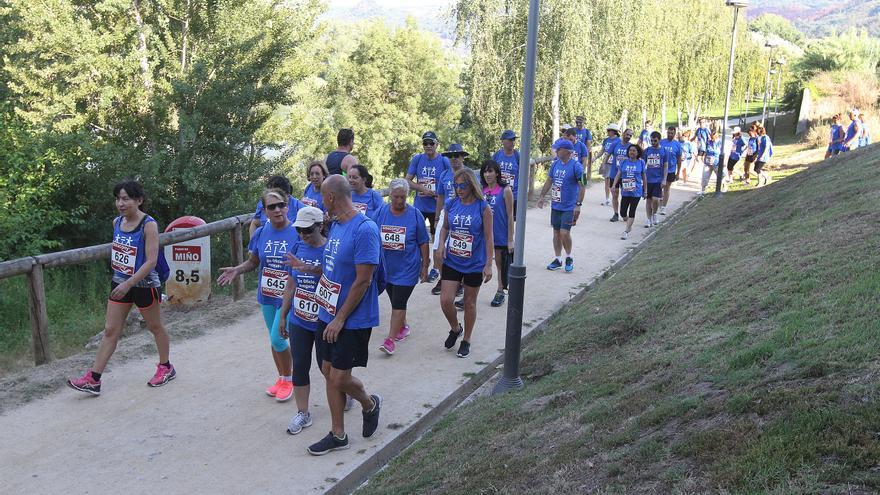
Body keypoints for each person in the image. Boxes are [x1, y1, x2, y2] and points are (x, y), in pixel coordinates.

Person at [288, 175, 381, 456]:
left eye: (321, 196)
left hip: (350, 319)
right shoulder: (337, 226)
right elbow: (331, 268)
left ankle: (369, 403)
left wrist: (340, 318)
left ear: (330, 197)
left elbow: (363, 280)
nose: (319, 201)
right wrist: (306, 268)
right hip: (326, 313)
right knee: (328, 372)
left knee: (339, 378)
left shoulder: (364, 229)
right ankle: (338, 434)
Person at [67, 181, 174, 396]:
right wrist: (122, 282)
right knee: (110, 330)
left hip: (144, 284)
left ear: (139, 200)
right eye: (118, 198)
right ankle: (94, 379)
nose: (121, 203)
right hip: (119, 282)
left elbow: (151, 261)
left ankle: (166, 367)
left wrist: (129, 283)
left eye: (126, 198)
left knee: (155, 327)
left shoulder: (148, 225)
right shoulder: (117, 222)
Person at [218, 189, 296, 402]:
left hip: (289, 296)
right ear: (265, 211)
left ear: (287, 206)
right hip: (267, 295)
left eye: (281, 204)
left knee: (277, 339)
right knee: (273, 341)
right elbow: (254, 261)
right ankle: (281, 378)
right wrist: (237, 269)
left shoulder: (298, 232)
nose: (277, 209)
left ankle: (290, 380)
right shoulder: (262, 233)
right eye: (272, 207)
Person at [277, 207, 327, 435]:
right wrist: (283, 315)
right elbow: (291, 284)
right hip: (299, 319)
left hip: (324, 320)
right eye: (299, 229)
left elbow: (335, 276)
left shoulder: (330, 249)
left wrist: (309, 268)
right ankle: (303, 413)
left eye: (308, 230)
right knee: (300, 366)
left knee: (327, 368)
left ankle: (345, 392)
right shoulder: (297, 246)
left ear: (320, 226)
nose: (303, 234)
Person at [436, 168, 493, 359]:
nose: (458, 189)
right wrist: (442, 244)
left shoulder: (482, 207)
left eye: (462, 185)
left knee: (469, 303)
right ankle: (455, 328)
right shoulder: (451, 204)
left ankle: (466, 339)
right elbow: (445, 227)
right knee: (445, 301)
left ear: (472, 185)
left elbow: (488, 237)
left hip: (474, 263)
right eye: (456, 185)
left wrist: (488, 264)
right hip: (452, 259)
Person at [372, 179, 430, 355]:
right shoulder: (381, 212)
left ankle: (390, 340)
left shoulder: (415, 215)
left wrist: (425, 266)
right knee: (395, 300)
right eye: (396, 197)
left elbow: (423, 242)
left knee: (398, 302)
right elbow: (371, 233)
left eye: (403, 197)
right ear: (390, 196)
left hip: (408, 267)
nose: (399, 201)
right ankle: (403, 325)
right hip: (387, 268)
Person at [406, 131, 450, 282]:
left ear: (437, 144)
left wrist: (439, 193)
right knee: (415, 236)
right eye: (425, 143)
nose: (428, 146)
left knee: (435, 238)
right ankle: (421, 263)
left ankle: (435, 269)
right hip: (420, 205)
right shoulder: (417, 159)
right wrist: (422, 189)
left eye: (431, 143)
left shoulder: (444, 161)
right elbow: (407, 181)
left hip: (437, 207)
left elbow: (450, 179)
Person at [537, 138, 585, 273]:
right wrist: (541, 196)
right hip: (556, 205)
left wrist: (578, 205)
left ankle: (569, 257)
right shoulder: (555, 164)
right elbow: (549, 180)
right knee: (556, 233)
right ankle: (558, 259)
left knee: (565, 233)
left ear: (566, 151)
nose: (556, 151)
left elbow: (583, 186)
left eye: (559, 149)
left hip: (569, 206)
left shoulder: (577, 166)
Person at [434, 143, 470, 297]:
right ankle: (444, 279)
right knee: (437, 248)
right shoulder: (444, 175)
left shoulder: (469, 174)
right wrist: (436, 218)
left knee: (459, 249)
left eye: (457, 155)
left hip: (463, 214)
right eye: (450, 156)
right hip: (446, 213)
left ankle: (460, 283)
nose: (454, 158)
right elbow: (440, 197)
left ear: (462, 157)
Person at [480, 159, 514, 307]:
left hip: (500, 233)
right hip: (483, 234)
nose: (487, 174)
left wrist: (510, 239)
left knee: (500, 264)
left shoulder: (505, 190)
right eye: (485, 171)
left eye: (490, 171)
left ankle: (501, 290)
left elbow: (510, 215)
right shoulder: (481, 190)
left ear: (497, 173)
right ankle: (469, 292)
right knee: (479, 263)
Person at [614, 145, 646, 240]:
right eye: (630, 150)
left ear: (638, 152)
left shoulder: (641, 162)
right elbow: (619, 174)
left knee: (632, 210)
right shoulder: (624, 161)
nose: (632, 152)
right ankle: (629, 222)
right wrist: (613, 185)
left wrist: (645, 190)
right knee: (623, 212)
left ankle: (627, 230)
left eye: (634, 151)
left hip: (636, 191)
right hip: (625, 191)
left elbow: (644, 176)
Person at [642, 131, 668, 228]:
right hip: (648, 180)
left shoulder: (664, 151)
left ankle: (655, 214)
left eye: (655, 140)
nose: (653, 142)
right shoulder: (647, 151)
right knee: (648, 200)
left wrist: (664, 179)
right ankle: (648, 219)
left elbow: (666, 166)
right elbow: (642, 164)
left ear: (659, 140)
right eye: (651, 140)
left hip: (658, 179)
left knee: (656, 199)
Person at [594, 124, 622, 208]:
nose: (608, 132)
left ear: (614, 131)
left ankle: (615, 198)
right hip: (607, 162)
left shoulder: (619, 141)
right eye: (607, 130)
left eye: (609, 130)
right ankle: (607, 199)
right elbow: (602, 151)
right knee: (607, 180)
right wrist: (595, 158)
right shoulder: (606, 140)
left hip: (615, 163)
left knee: (614, 181)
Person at [491, 130, 520, 210]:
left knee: (511, 219)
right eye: (510, 140)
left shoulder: (517, 156)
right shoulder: (497, 155)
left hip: (513, 195)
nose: (512, 142)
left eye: (514, 140)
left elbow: (523, 175)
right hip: (498, 194)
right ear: (503, 141)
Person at [658, 126, 681, 215]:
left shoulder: (677, 144)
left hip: (671, 170)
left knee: (667, 188)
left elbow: (679, 159)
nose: (670, 135)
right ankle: (659, 203)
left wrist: (678, 172)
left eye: (672, 133)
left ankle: (663, 207)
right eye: (668, 133)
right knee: (660, 187)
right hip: (660, 169)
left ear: (674, 134)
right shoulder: (662, 142)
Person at [700, 128, 722, 196]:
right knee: (705, 176)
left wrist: (723, 162)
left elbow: (723, 152)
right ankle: (703, 190)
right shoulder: (709, 142)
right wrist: (703, 156)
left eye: (713, 136)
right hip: (708, 162)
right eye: (711, 136)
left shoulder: (720, 142)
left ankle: (722, 187)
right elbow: (706, 150)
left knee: (720, 175)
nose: (712, 138)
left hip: (716, 162)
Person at [573, 116, 594, 182]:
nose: (578, 123)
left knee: (581, 177)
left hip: (582, 156)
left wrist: (585, 158)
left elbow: (588, 145)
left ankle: (582, 188)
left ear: (584, 122)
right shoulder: (572, 130)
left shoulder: (587, 132)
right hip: (571, 154)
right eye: (577, 122)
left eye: (580, 122)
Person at [753, 122, 774, 187]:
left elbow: (766, 148)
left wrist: (762, 156)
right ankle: (766, 177)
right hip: (759, 155)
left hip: (764, 156)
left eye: (758, 132)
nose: (757, 133)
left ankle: (760, 182)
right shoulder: (760, 137)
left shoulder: (765, 138)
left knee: (757, 169)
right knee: (756, 169)